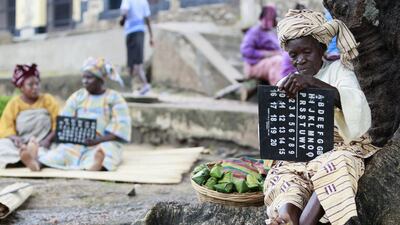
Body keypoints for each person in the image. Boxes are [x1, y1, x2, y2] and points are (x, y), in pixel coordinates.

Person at [263, 9, 381, 225]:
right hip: (301, 153)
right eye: (294, 55)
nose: (300, 60)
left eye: (306, 52)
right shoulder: (286, 83)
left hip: (340, 147)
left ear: (322, 47)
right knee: (281, 176)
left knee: (335, 165)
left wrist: (312, 83)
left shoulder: (339, 71)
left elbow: (356, 106)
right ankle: (287, 215)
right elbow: (280, 129)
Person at [34, 58, 131, 171]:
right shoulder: (78, 96)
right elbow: (64, 121)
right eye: (83, 77)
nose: (85, 81)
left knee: (107, 151)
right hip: (78, 142)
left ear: (101, 79)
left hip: (103, 141)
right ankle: (37, 164)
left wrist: (98, 140)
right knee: (62, 151)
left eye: (89, 77)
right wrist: (48, 139)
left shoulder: (114, 98)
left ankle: (96, 165)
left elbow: (120, 127)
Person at [0, 64, 59, 171]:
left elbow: (58, 123)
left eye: (37, 83)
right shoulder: (14, 103)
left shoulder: (48, 100)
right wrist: (16, 139)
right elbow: (6, 126)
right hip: (21, 144)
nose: (35, 87)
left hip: (44, 143)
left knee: (59, 150)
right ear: (21, 87)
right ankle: (27, 156)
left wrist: (47, 140)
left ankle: (30, 159)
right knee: (2, 146)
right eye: (30, 85)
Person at [239, 5, 296, 101]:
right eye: (266, 19)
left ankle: (290, 89)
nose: (267, 22)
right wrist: (269, 54)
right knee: (277, 61)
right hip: (253, 65)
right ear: (261, 18)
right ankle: (279, 92)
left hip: (269, 63)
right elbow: (245, 51)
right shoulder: (254, 32)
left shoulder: (271, 33)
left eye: (270, 19)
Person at [120, 0, 154, 96]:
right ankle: (138, 86)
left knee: (134, 62)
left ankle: (144, 85)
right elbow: (147, 18)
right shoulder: (143, 1)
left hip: (131, 32)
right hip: (140, 31)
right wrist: (151, 36)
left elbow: (125, 11)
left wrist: (122, 20)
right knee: (136, 61)